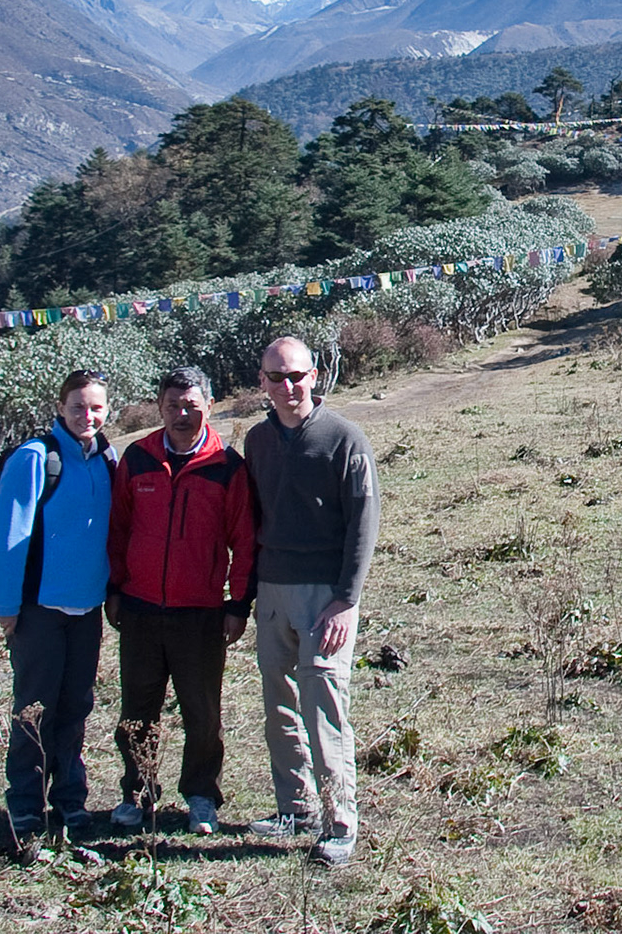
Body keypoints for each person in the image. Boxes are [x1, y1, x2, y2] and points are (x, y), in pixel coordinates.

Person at [242, 336, 380, 868]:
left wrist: (346, 599)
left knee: (323, 701)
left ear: (315, 375)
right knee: (278, 701)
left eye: (296, 375)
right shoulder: (257, 441)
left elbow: (364, 524)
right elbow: (252, 518)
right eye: (276, 377)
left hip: (327, 598)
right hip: (272, 590)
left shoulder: (345, 438)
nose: (288, 386)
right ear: (263, 383)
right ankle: (295, 808)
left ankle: (339, 820)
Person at [105, 366, 255, 835]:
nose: (182, 415)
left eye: (191, 405)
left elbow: (245, 541)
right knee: (137, 707)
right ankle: (137, 793)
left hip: (201, 613)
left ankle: (201, 796)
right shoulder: (137, 459)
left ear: (209, 406)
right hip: (140, 609)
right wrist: (114, 589)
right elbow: (117, 530)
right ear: (159, 407)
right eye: (173, 405)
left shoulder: (228, 466)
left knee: (202, 711)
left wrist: (237, 604)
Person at [0, 369, 116, 843]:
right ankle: (25, 805)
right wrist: (5, 605)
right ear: (60, 408)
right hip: (38, 609)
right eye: (78, 406)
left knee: (76, 706)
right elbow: (9, 536)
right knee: (35, 709)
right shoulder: (35, 458)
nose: (88, 415)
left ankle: (70, 799)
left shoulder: (106, 456)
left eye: (96, 407)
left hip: (87, 608)